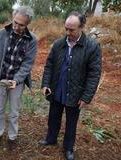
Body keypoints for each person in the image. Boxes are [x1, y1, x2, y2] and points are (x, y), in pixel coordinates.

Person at [39, 12, 102, 160]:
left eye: (72, 30)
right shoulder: (59, 44)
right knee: (53, 116)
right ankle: (51, 138)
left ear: (82, 27)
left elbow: (94, 74)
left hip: (75, 92)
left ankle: (68, 148)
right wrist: (45, 84)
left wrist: (86, 96)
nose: (68, 33)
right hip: (56, 89)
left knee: (71, 122)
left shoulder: (92, 47)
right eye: (66, 29)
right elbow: (49, 65)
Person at [0, 6, 37, 151]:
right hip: (0, 79)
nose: (16, 26)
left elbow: (27, 64)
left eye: (21, 24)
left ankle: (12, 137)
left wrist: (16, 80)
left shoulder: (32, 40)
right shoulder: (2, 34)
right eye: (15, 22)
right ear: (13, 18)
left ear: (27, 24)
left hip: (16, 83)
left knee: (14, 112)